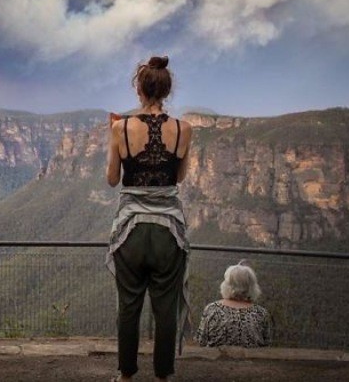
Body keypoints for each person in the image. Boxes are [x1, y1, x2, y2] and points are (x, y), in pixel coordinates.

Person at [105, 56, 193, 382]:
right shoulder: (184, 129)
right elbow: (179, 177)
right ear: (167, 90)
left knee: (129, 307)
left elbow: (113, 179)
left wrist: (112, 140)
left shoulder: (121, 127)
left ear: (139, 89)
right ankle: (163, 376)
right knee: (165, 308)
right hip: (169, 229)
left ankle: (126, 375)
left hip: (131, 229)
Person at [196, 261, 272, 348]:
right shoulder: (261, 313)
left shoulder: (212, 309)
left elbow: (201, 341)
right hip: (250, 361)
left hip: (216, 360)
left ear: (226, 285)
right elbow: (266, 345)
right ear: (252, 286)